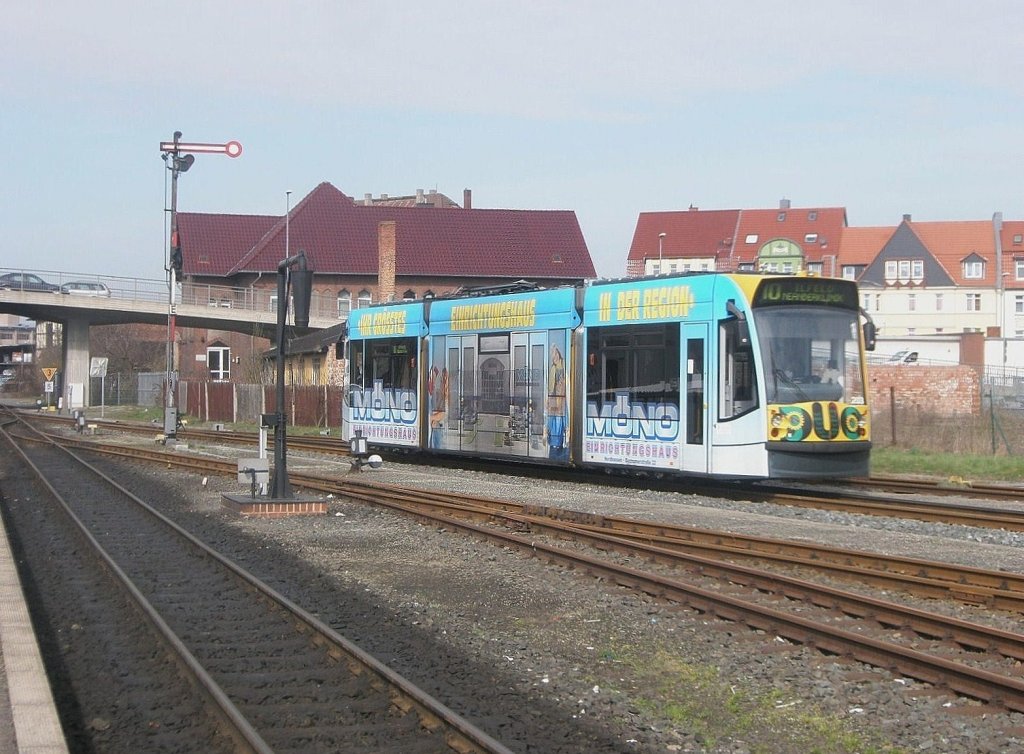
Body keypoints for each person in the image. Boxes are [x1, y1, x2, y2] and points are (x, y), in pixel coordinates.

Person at [546, 344, 567, 461]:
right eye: (553, 356)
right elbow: (550, 387)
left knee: (561, 420)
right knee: (555, 420)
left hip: (564, 398)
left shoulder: (565, 364)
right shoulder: (553, 368)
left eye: (556, 354)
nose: (555, 357)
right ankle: (555, 444)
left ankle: (560, 444)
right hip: (555, 398)